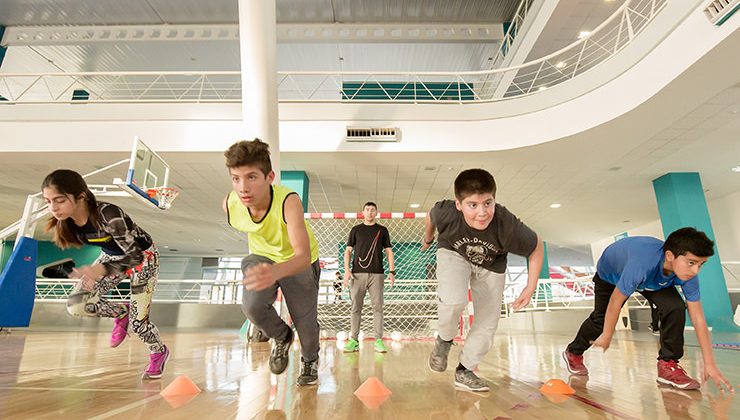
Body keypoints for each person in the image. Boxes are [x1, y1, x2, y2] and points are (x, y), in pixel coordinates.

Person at [563, 227, 734, 392]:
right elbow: (615, 301)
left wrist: (710, 363)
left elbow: (698, 319)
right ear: (670, 256)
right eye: (691, 263)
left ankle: (668, 365)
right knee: (600, 321)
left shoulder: (688, 275)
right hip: (610, 274)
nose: (695, 270)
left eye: (700, 264)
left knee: (674, 307)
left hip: (650, 278)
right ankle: (573, 351)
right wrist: (607, 334)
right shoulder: (641, 265)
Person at [422, 168, 544, 392]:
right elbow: (431, 216)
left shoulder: (507, 225)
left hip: (492, 263)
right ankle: (444, 340)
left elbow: (536, 246)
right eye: (473, 205)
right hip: (453, 251)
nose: (482, 213)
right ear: (459, 205)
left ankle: (465, 370)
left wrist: (531, 285)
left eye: (488, 203)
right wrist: (428, 238)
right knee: (453, 302)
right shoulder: (446, 212)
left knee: (488, 321)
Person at [42, 169, 169, 379]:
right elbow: (111, 252)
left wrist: (99, 271)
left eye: (59, 200)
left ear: (81, 196)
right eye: (48, 201)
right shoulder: (67, 222)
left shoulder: (108, 214)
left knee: (139, 324)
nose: (53, 208)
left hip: (143, 258)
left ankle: (158, 351)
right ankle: (121, 312)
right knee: (77, 304)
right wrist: (88, 274)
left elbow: (135, 256)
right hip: (110, 257)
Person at [223, 138, 321, 386]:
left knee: (305, 322)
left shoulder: (289, 201)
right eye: (236, 178)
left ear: (269, 177)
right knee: (252, 307)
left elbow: (303, 256)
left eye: (251, 177)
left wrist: (276, 271)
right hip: (261, 256)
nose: (243, 187)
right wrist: (267, 270)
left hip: (298, 260)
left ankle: (309, 360)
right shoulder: (230, 204)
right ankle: (281, 335)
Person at [342, 202, 395, 353]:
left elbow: (389, 251)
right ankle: (354, 340)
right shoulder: (355, 230)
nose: (370, 212)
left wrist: (392, 271)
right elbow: (348, 252)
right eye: (367, 210)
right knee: (355, 308)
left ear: (376, 213)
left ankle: (378, 340)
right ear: (363, 212)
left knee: (378, 308)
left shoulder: (382, 230)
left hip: (377, 274)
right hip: (357, 274)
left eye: (373, 210)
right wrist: (346, 271)